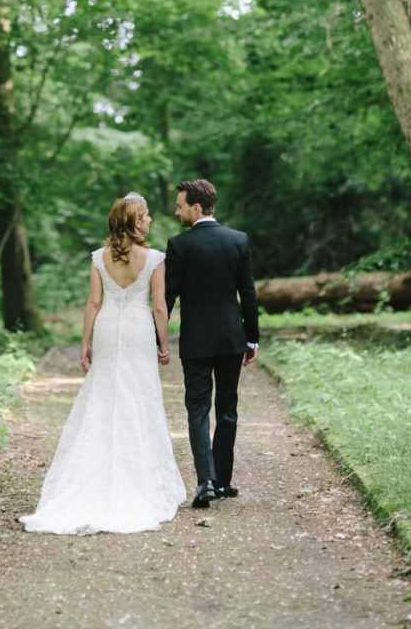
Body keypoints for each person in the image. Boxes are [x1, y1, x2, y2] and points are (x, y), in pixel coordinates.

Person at [19, 193, 186, 534]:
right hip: (139, 330)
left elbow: (93, 303)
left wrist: (85, 343)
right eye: (147, 215)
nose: (151, 220)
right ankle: (138, 479)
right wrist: (164, 344)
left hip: (108, 328)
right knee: (139, 397)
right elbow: (158, 307)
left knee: (104, 395)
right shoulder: (155, 259)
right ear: (136, 222)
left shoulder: (99, 257)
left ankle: (91, 477)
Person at [165, 178, 259, 509]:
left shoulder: (179, 246)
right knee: (228, 409)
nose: (177, 211)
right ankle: (223, 481)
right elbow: (248, 293)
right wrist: (252, 338)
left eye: (180, 205)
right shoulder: (238, 241)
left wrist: (157, 335)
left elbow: (167, 297)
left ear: (196, 206)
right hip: (232, 338)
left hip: (195, 342)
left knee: (198, 409)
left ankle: (205, 480)